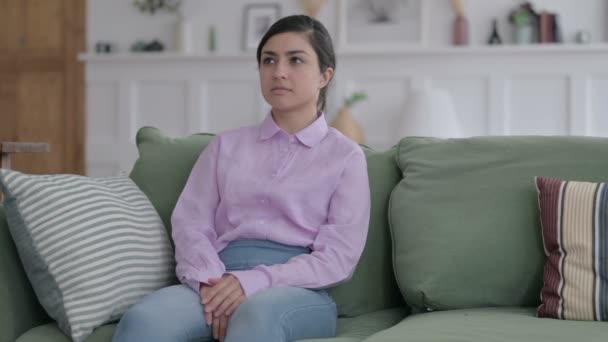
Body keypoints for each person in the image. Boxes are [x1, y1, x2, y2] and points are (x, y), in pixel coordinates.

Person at [112, 14, 370, 342]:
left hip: (297, 291)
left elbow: (338, 259)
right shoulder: (225, 146)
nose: (279, 71)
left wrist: (252, 283)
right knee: (144, 321)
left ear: (324, 75)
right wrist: (210, 282)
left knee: (255, 316)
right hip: (217, 277)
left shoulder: (346, 156)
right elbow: (190, 224)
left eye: (296, 60)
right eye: (268, 60)